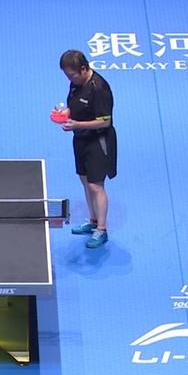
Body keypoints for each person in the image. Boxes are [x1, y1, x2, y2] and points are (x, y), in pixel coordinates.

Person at [57, 49, 117, 249]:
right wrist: (64, 113)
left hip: (99, 141)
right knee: (85, 181)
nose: (69, 79)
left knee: (95, 185)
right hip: (80, 139)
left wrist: (77, 124)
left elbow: (105, 121)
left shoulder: (99, 88)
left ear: (84, 69)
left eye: (72, 75)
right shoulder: (76, 83)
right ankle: (92, 221)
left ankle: (102, 229)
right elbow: (75, 107)